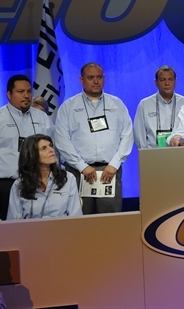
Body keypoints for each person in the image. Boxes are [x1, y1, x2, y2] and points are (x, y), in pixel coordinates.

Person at [54, 62, 133, 214]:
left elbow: (127, 135)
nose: (96, 81)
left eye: (99, 77)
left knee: (110, 220)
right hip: (78, 172)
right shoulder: (69, 107)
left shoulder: (116, 104)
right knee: (81, 219)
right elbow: (62, 140)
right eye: (90, 78)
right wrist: (82, 166)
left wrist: (115, 164)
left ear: (104, 78)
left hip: (109, 171)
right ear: (81, 80)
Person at [0, 75, 53, 220]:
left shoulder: (42, 117)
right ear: (9, 94)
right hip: (6, 185)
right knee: (9, 228)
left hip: (38, 182)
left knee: (39, 226)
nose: (26, 95)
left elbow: (52, 150)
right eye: (20, 91)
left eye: (29, 91)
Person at [7, 134, 81, 219]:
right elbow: (13, 221)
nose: (51, 150)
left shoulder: (68, 179)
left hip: (61, 227)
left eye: (51, 146)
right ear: (32, 154)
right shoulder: (19, 184)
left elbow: (76, 217)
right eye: (44, 148)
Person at [134, 66, 184, 149]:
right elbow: (139, 135)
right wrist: (146, 154)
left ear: (175, 81)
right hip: (153, 154)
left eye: (170, 79)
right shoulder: (145, 104)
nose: (167, 83)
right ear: (156, 82)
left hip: (180, 153)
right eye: (163, 80)